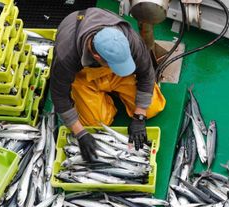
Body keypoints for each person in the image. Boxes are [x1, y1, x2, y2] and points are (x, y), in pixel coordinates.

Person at [49, 7, 166, 162]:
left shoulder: (128, 38)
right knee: (95, 123)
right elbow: (59, 97)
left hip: (115, 75)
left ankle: (113, 90)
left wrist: (139, 116)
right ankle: (104, 98)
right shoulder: (66, 56)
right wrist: (80, 133)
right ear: (96, 56)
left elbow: (146, 74)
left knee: (152, 108)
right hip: (84, 78)